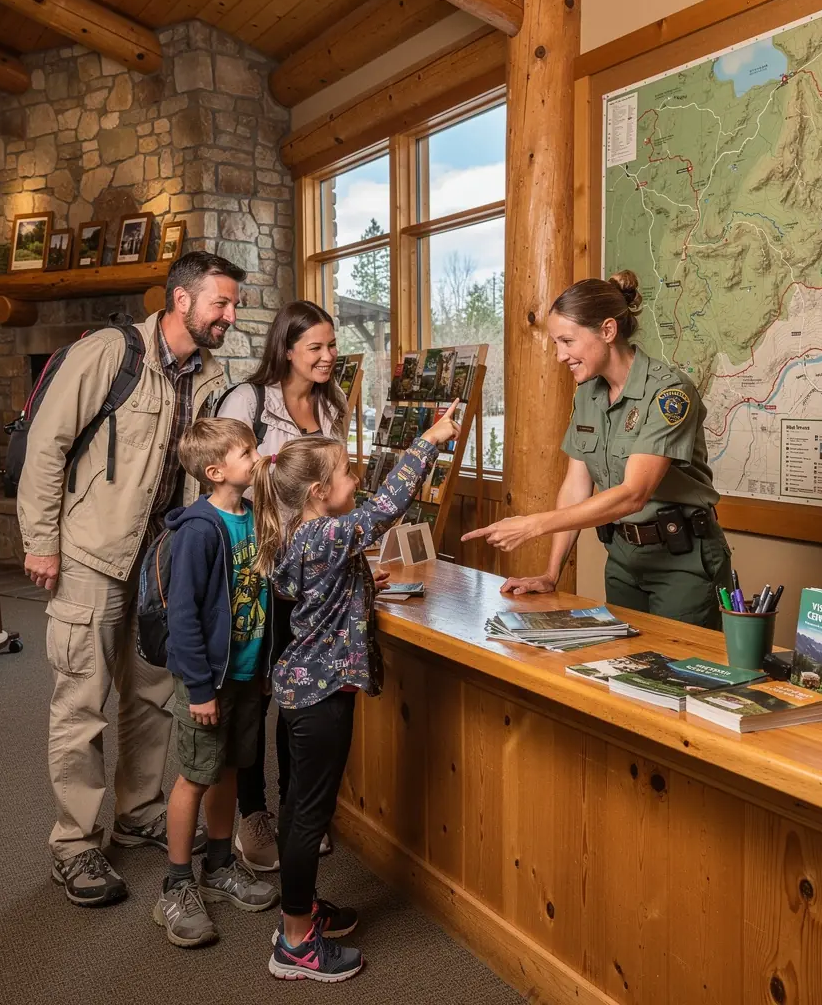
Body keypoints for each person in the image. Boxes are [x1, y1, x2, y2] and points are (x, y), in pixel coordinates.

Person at [19, 251, 242, 906]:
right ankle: (76, 845)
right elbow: (46, 443)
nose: (230, 316)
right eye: (220, 304)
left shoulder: (204, 377)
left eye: (232, 305)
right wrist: (42, 541)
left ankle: (139, 809)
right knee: (81, 703)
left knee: (150, 694)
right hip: (88, 555)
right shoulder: (110, 354)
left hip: (156, 563)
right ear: (181, 301)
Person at [252, 400, 461, 982]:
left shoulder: (297, 533)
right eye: (346, 474)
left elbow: (321, 588)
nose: (356, 480)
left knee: (299, 811)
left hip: (299, 692)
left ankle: (303, 913)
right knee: (308, 819)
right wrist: (432, 438)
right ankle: (295, 943)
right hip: (321, 699)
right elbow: (390, 506)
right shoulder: (326, 536)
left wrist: (361, 581)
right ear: (319, 491)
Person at [463, 270, 732, 630]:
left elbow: (633, 495)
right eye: (556, 343)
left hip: (682, 561)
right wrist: (550, 572)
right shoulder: (588, 394)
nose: (559, 356)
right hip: (623, 559)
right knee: (622, 673)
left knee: (679, 679)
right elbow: (576, 485)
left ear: (607, 331)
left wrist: (532, 525)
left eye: (567, 341)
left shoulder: (669, 392)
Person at [216, 300, 347, 872]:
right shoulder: (248, 401)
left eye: (331, 345)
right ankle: (252, 812)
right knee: (255, 696)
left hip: (310, 577)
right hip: (258, 572)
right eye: (314, 347)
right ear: (286, 349)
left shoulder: (332, 404)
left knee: (304, 697)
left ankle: (298, 812)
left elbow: (330, 488)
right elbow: (219, 486)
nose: (326, 357)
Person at [153, 417, 280, 947]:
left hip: (247, 673)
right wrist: (200, 690)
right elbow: (182, 617)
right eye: (247, 452)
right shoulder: (201, 531)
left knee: (228, 767)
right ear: (215, 470)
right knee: (195, 775)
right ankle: (177, 885)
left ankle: (221, 865)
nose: (257, 457)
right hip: (209, 680)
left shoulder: (253, 515)